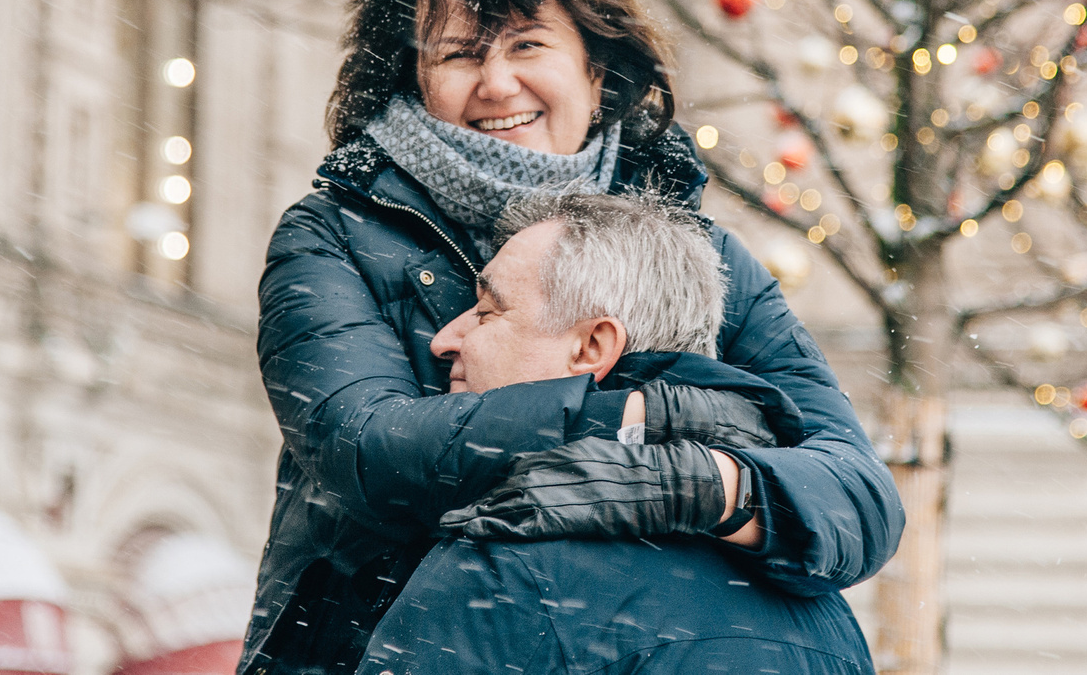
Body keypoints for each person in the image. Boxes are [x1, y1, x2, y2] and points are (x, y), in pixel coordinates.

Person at [246, 0, 902, 675]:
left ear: (596, 69)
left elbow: (858, 499)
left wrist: (691, 482)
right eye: (458, 54)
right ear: (413, 78)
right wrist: (639, 415)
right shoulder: (336, 235)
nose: (496, 83)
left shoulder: (706, 258)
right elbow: (370, 453)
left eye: (528, 44)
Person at [358, 192, 873, 675]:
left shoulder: (503, 563)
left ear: (591, 347)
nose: (445, 340)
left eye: (488, 312)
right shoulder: (824, 611)